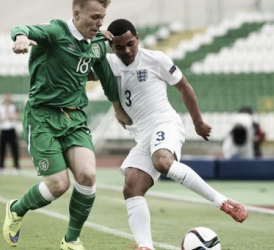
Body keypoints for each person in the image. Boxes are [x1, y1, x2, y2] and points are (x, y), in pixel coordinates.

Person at [105, 19, 248, 250]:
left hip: (165, 123)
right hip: (142, 135)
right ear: (111, 46)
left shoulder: (156, 59)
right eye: (120, 47)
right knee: (132, 187)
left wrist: (198, 122)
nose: (127, 50)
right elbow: (82, 68)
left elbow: (184, 87)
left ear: (138, 37)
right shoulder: (109, 64)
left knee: (162, 161)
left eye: (130, 44)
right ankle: (145, 246)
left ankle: (222, 201)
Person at [3, 1, 131, 249]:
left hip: (74, 119)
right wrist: (20, 38)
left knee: (88, 176)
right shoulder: (55, 32)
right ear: (76, 13)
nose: (100, 23)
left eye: (102, 17)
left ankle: (71, 240)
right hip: (42, 118)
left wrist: (117, 109)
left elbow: (106, 78)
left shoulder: (96, 45)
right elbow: (23, 28)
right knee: (59, 185)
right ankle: (16, 209)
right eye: (94, 17)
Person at [0, 94, 20, 173]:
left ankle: (16, 167)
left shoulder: (14, 107)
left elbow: (17, 115)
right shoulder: (0, 108)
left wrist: (12, 116)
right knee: (2, 149)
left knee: (14, 149)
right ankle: (1, 167)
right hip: (3, 129)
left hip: (11, 129)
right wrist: (3, 118)